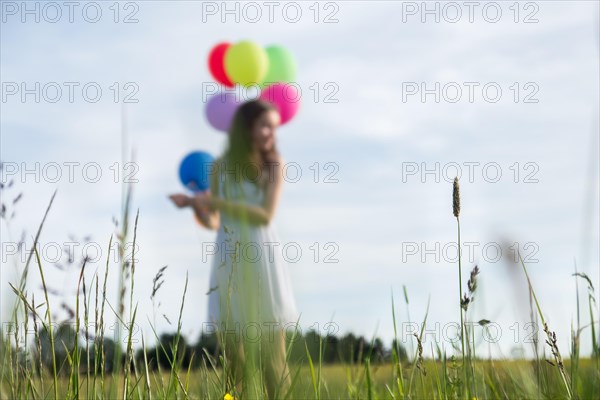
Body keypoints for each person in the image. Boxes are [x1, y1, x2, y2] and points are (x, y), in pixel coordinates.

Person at [169, 99, 300, 399]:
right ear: (246, 128)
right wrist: (196, 204)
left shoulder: (274, 164)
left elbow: (265, 214)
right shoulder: (220, 168)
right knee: (234, 362)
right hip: (228, 256)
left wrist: (214, 203)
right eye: (265, 125)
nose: (271, 134)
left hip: (260, 255)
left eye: (274, 128)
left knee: (272, 360)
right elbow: (215, 221)